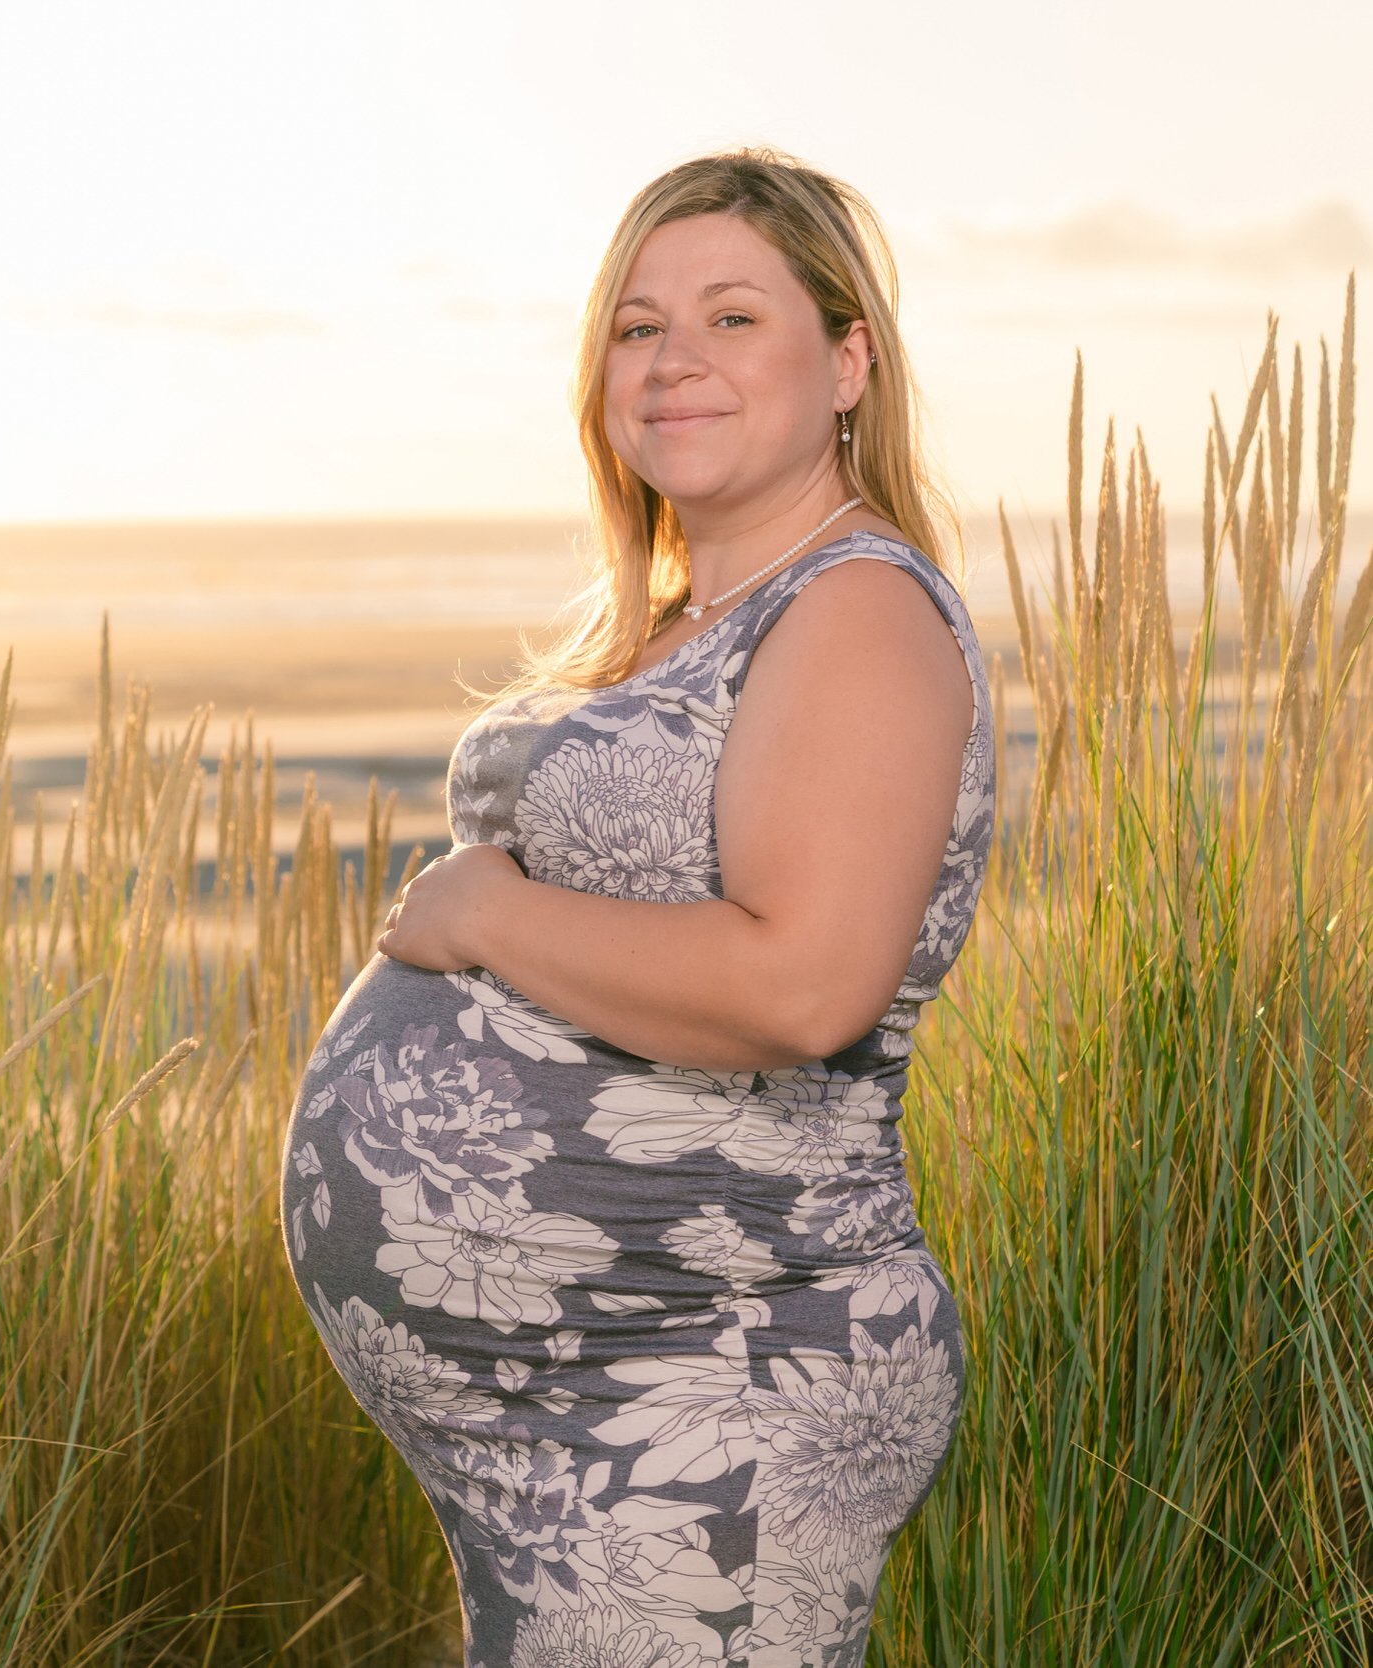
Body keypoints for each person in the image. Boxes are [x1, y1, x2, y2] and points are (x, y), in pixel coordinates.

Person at [280, 146, 992, 1668]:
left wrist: (482, 916)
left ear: (848, 357)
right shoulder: (693, 619)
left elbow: (805, 988)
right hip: (586, 1406)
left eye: (734, 318)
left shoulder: (855, 608)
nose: (674, 360)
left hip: (714, 1380)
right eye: (636, 324)